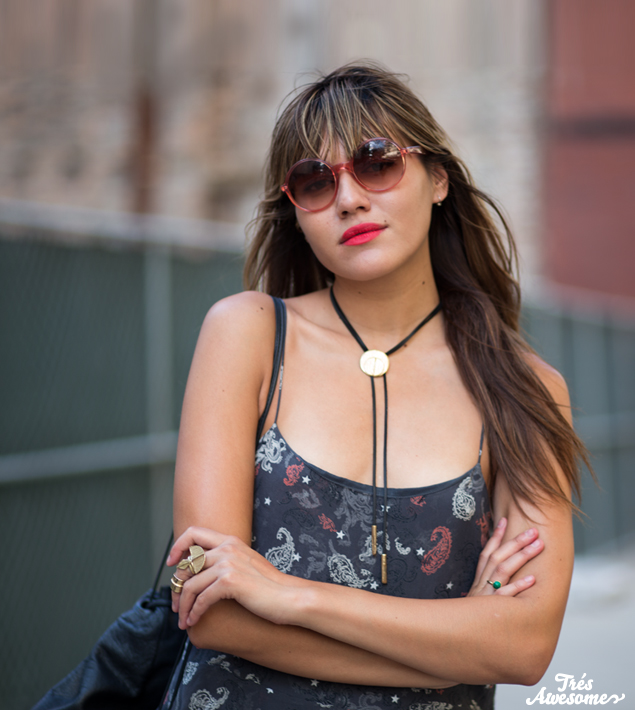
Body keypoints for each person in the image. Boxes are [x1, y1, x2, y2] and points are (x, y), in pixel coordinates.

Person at [163, 63, 586, 710]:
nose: (349, 199)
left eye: (377, 163)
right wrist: (451, 650)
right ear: (295, 213)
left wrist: (289, 595)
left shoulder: (523, 389)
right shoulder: (246, 334)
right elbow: (209, 610)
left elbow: (523, 646)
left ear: (438, 178)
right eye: (314, 182)